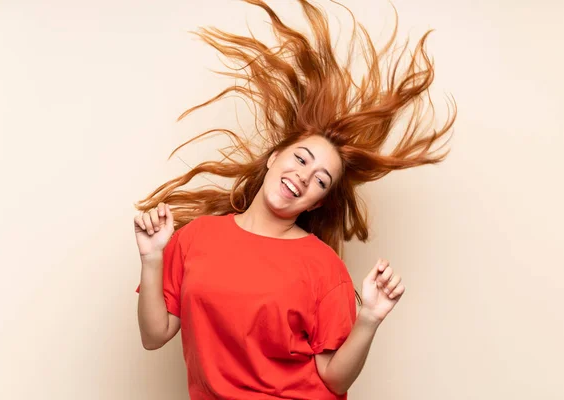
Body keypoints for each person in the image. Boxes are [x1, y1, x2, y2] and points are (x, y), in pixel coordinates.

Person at [133, 0, 456, 399]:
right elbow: (154, 335)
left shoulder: (324, 268)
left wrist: (370, 318)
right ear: (273, 157)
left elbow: (334, 379)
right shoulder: (196, 237)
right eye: (300, 158)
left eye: (320, 180)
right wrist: (151, 260)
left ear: (317, 203)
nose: (302, 177)